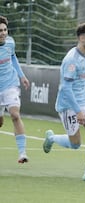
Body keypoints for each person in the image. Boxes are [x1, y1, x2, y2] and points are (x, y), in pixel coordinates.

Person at [42, 22, 85, 182]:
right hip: (68, 105)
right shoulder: (71, 59)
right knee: (75, 144)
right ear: (82, 38)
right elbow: (66, 89)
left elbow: (81, 79)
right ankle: (52, 138)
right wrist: (78, 111)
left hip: (83, 101)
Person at [0, 15, 31, 164]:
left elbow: (13, 58)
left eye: (5, 30)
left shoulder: (10, 42)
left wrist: (22, 76)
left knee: (15, 114)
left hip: (10, 84)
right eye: (0, 30)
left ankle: (22, 153)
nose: (3, 33)